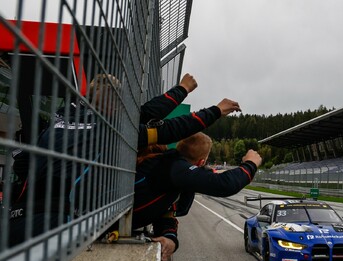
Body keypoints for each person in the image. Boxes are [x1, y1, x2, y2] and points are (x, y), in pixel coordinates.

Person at [6, 73, 241, 247]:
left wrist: (181, 89)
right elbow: (170, 128)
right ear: (115, 103)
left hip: (16, 215)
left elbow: (22, 163)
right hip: (56, 225)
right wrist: (216, 110)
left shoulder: (59, 121)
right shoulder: (114, 131)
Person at [120, 132, 262, 261]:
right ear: (201, 162)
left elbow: (165, 211)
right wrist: (251, 163)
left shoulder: (169, 166)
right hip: (108, 225)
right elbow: (225, 185)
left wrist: (170, 237)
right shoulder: (173, 168)